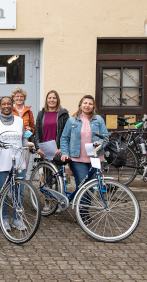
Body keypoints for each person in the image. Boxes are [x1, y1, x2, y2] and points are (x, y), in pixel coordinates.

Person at [60, 95, 109, 223]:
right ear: (80, 105)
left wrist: (100, 142)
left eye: (90, 104)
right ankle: (83, 214)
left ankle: (84, 210)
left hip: (95, 158)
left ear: (93, 106)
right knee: (82, 185)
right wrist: (64, 152)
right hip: (77, 159)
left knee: (91, 186)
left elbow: (106, 136)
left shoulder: (98, 120)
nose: (87, 105)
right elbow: (64, 137)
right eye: (85, 103)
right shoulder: (72, 120)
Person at [0, 96, 28, 231]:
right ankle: (4, 218)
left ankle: (17, 219)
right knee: (3, 192)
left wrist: (28, 145)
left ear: (12, 105)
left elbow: (23, 138)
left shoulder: (19, 121)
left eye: (8, 104)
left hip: (18, 162)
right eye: (3, 104)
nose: (6, 106)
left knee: (19, 193)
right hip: (2, 162)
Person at [33, 90, 69, 158]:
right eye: (49, 98)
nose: (52, 100)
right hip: (44, 151)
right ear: (46, 100)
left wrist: (63, 149)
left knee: (57, 169)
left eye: (54, 98)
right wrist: (38, 148)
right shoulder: (41, 114)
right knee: (46, 168)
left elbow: (67, 133)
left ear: (57, 100)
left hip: (58, 151)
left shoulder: (63, 114)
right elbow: (37, 131)